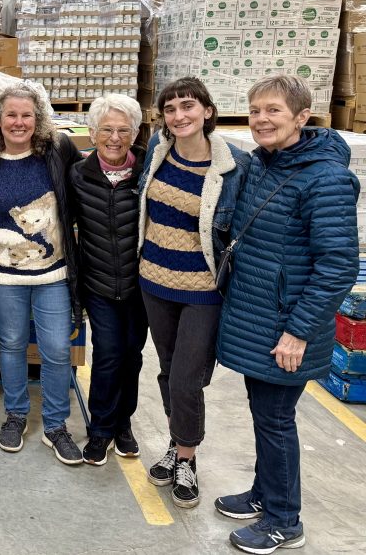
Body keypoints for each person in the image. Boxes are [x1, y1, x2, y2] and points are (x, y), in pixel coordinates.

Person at [215, 74, 359, 554]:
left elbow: (337, 266)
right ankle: (264, 494)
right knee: (264, 414)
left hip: (287, 325)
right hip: (261, 317)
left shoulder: (326, 178)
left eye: (273, 110)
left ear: (301, 117)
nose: (261, 120)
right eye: (255, 110)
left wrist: (297, 332)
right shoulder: (264, 164)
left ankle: (283, 520)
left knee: (276, 420)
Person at [137, 77, 249, 508]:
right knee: (167, 368)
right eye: (170, 108)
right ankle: (176, 441)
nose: (179, 115)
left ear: (207, 110)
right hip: (154, 280)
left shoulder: (233, 166)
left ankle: (187, 457)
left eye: (188, 106)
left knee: (188, 376)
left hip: (203, 289)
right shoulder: (157, 151)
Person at [0, 83, 83, 463]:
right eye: (11, 115)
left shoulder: (58, 151)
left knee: (56, 349)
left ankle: (55, 424)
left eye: (26, 115)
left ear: (38, 119)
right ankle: (15, 415)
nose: (19, 122)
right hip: (4, 275)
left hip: (53, 273)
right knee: (12, 345)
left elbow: (84, 193)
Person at [69, 94, 148, 466]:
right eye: (106, 130)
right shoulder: (79, 175)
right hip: (99, 283)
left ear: (134, 133)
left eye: (123, 130)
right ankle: (100, 429)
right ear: (92, 132)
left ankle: (123, 424)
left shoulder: (149, 171)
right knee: (108, 355)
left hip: (142, 286)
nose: (114, 138)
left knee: (133, 357)